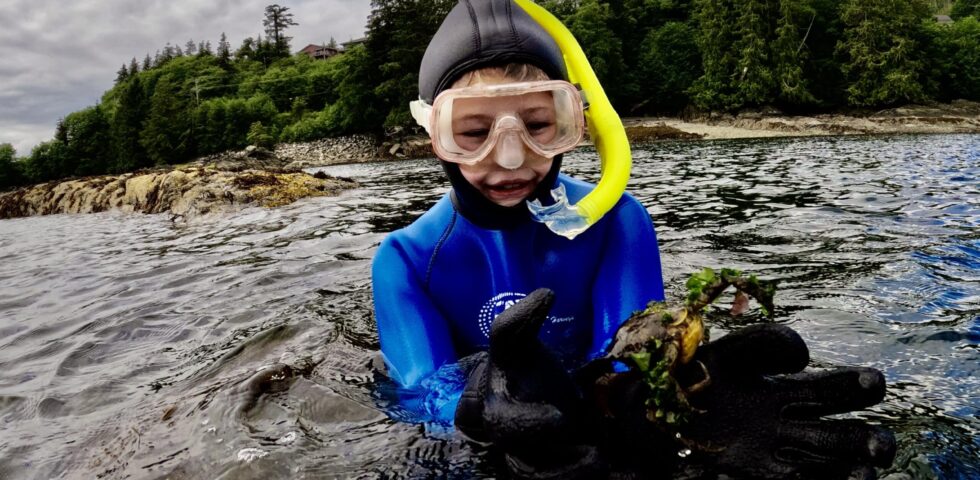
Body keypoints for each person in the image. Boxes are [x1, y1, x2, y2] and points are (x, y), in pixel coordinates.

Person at [372, 1, 895, 478]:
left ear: (574, 121)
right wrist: (482, 413)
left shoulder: (617, 221)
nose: (511, 157)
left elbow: (625, 360)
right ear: (432, 132)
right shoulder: (405, 261)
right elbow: (421, 395)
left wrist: (666, 407)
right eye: (472, 133)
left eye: (539, 125)